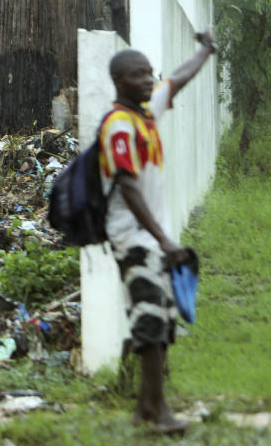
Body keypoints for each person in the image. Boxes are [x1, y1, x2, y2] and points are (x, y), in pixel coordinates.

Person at [99, 31, 217, 433]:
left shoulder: (146, 113)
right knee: (150, 320)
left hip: (153, 239)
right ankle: (157, 412)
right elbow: (128, 186)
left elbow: (179, 78)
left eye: (150, 73)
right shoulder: (118, 126)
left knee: (162, 321)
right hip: (133, 238)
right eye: (139, 75)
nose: (149, 80)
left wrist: (206, 48)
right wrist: (164, 240)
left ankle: (146, 408)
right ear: (120, 82)